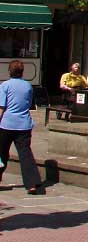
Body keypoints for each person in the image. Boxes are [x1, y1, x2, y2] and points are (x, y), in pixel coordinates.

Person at [0, 60, 44, 194]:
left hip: (7, 124)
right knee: (25, 154)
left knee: (1, 153)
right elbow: (29, 103)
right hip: (24, 124)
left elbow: (1, 107)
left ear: (9, 71)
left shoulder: (5, 85)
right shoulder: (28, 86)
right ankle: (31, 184)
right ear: (22, 72)